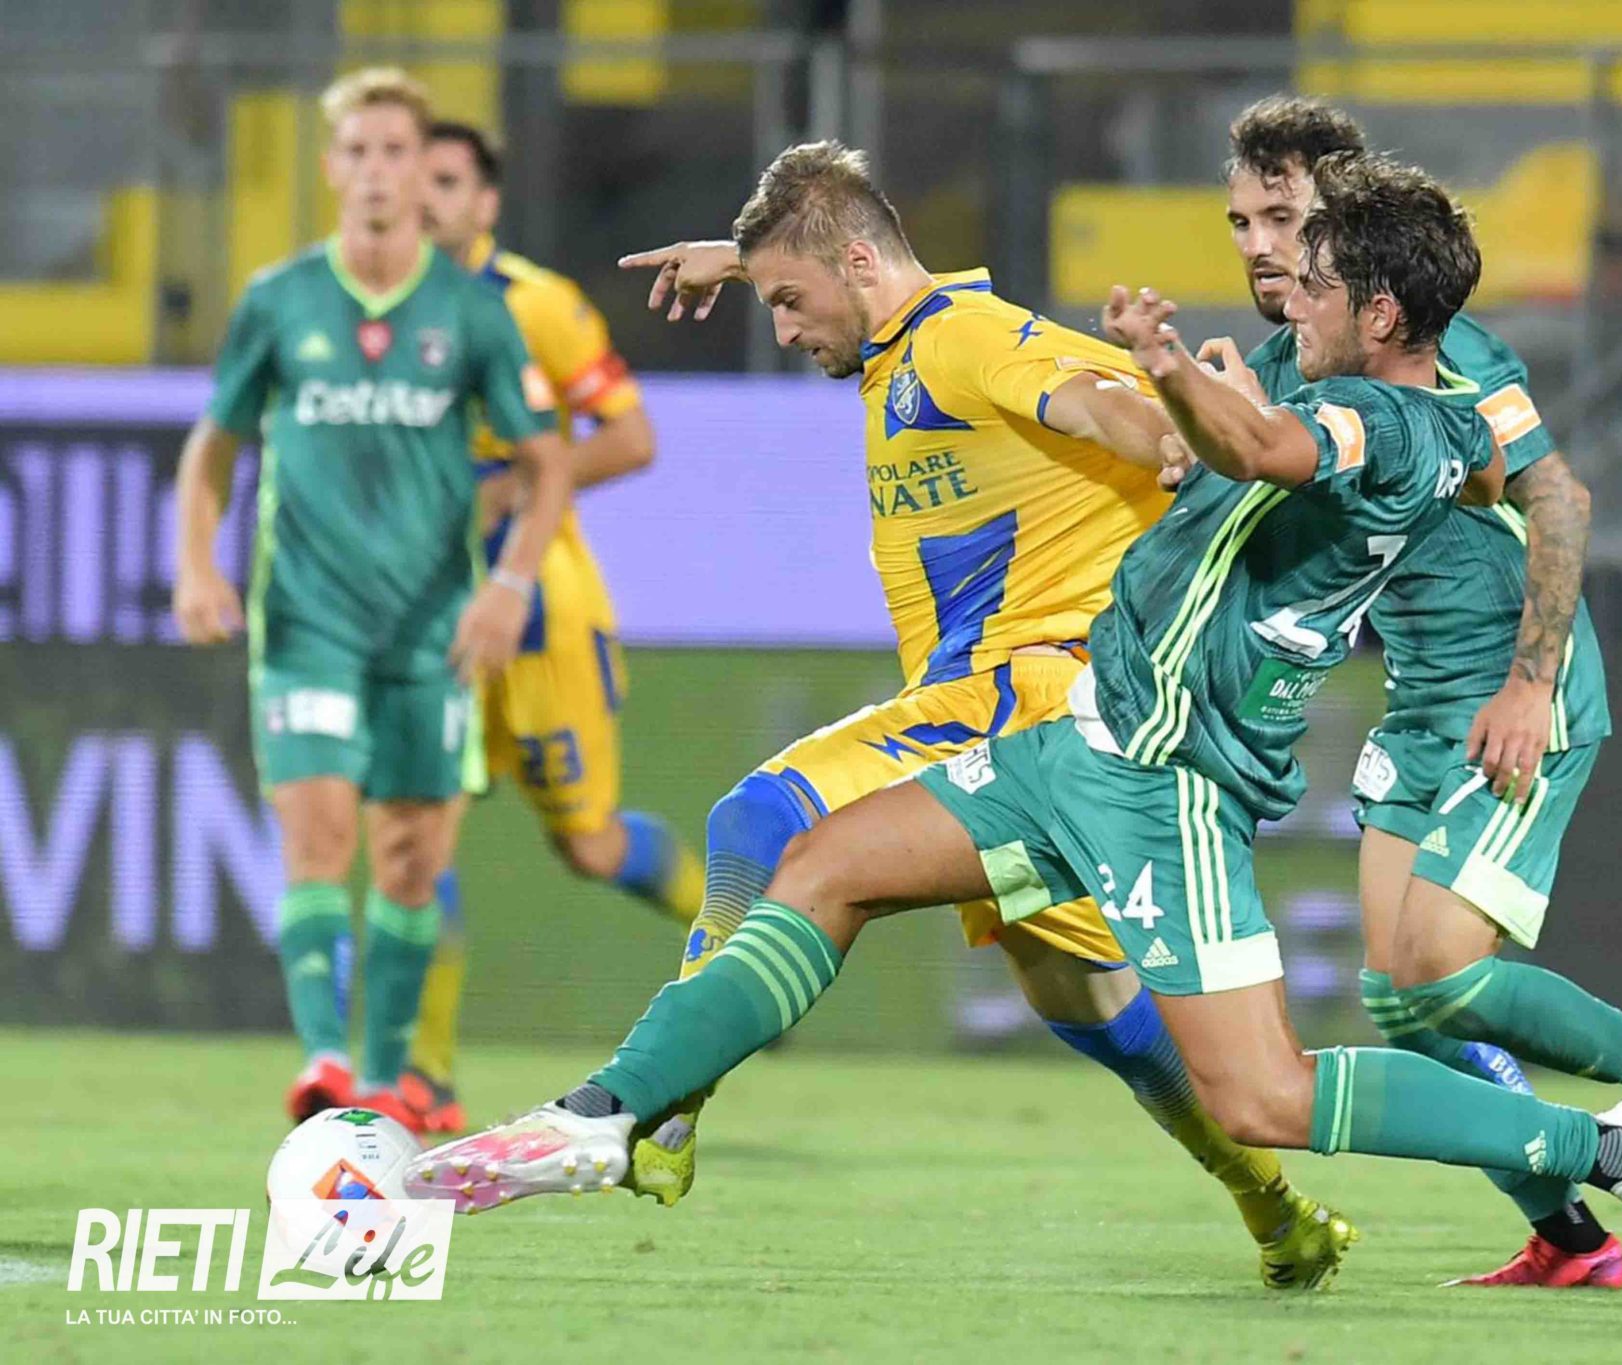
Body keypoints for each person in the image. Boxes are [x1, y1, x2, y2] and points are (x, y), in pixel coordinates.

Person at [407, 150, 1622, 1296]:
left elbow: (1268, 452)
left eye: (1313, 280)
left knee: (1265, 1096)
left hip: (1171, 781)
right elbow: (1256, 432)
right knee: (816, 867)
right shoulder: (1326, 378)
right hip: (1077, 736)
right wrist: (772, 255)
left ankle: (1616, 1153)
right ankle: (606, 1115)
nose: (1282, 285)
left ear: (1384, 311)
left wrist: (1165, 371)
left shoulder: (1390, 426)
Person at [488, 140, 1358, 1290]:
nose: (783, 329)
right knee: (1098, 1012)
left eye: (789, 301)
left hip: (1023, 690)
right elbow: (850, 260)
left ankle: (661, 1102)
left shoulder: (963, 340)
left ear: (857, 264)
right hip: (1042, 720)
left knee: (760, 818)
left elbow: (1096, 399)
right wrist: (743, 262)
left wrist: (1164, 438)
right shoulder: (903, 334)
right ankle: (1277, 1213)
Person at [1212, 96, 1622, 1289]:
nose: (1260, 246)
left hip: (1510, 690)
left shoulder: (1445, 350)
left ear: (1345, 223)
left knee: (1442, 970)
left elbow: (1558, 498)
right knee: (1400, 1000)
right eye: (1241, 221)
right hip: (1419, 697)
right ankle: (1567, 1238)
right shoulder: (1283, 359)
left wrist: (1529, 684)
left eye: (1282, 217)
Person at [171, 68, 572, 1126]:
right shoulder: (279, 300)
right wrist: (196, 563)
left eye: (398, 152)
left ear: (422, 170)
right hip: (308, 621)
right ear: (331, 168)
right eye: (359, 152)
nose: (379, 173)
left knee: (410, 858)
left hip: (430, 629)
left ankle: (386, 1078)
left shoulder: (471, 314)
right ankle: (321, 1064)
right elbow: (213, 445)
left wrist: (509, 585)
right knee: (316, 839)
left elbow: (546, 464)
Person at [388, 118, 705, 1135]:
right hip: (427, 619)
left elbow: (632, 437)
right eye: (410, 175)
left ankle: (737, 951)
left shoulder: (538, 306)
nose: (422, 195)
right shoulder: (367, 313)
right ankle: (424, 1080)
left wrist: (508, 487)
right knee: (416, 837)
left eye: (445, 180)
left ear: (485, 203)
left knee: (591, 846)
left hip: (540, 618)